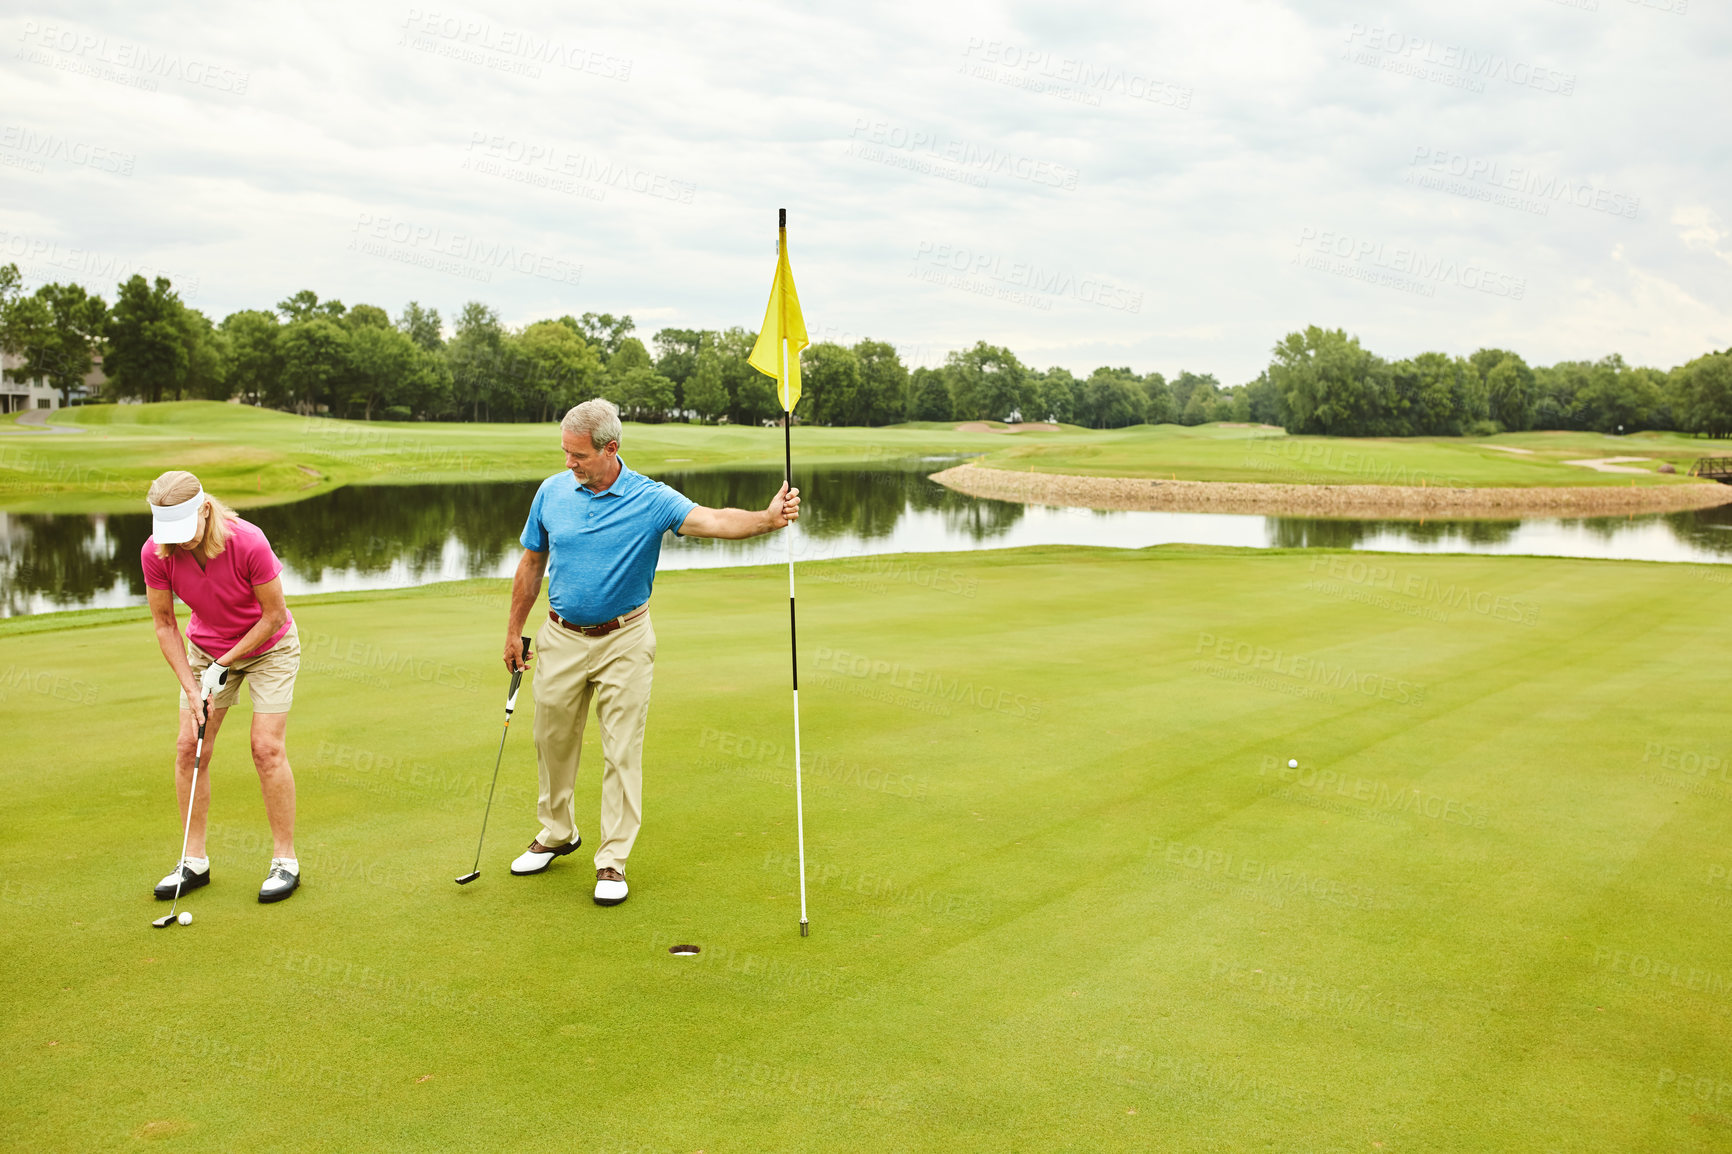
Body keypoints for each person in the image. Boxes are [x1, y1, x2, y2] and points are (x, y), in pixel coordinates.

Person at [503, 398, 800, 906]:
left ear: (610, 448)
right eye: (565, 453)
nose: (568, 463)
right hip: (560, 636)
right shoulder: (552, 492)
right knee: (550, 737)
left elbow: (714, 521)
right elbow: (532, 562)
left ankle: (612, 861)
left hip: (625, 640)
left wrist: (768, 520)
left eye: (577, 455)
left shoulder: (650, 498)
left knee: (621, 750)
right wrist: (513, 630)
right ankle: (557, 833)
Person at [142, 470, 303, 904]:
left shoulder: (248, 541)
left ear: (206, 509)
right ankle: (193, 861)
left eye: (184, 529)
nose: (179, 541)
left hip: (269, 647)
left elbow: (273, 615)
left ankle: (285, 861)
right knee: (189, 748)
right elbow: (164, 625)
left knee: (266, 748)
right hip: (206, 647)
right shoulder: (157, 552)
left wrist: (224, 664)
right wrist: (192, 688)